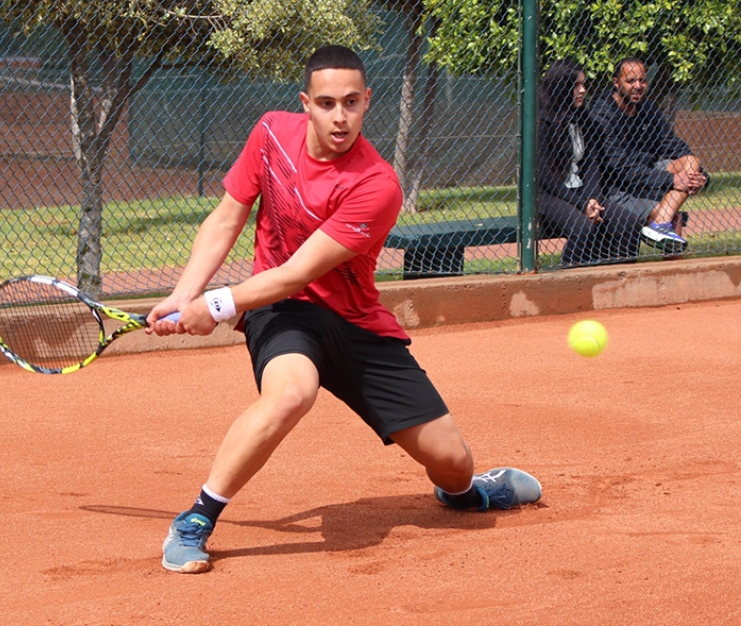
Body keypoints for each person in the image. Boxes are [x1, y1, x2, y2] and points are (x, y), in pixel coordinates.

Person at [144, 45, 542, 574]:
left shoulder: (376, 185)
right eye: (327, 103)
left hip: (355, 323)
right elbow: (227, 218)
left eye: (351, 102)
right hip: (281, 312)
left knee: (452, 461)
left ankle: (468, 494)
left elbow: (302, 269)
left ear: (367, 101)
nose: (339, 116)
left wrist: (214, 304)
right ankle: (195, 519)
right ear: (305, 102)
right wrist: (183, 292)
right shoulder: (269, 135)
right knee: (290, 396)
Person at [588, 57, 709, 256]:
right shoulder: (602, 113)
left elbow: (673, 145)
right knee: (675, 218)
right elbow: (619, 169)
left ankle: (660, 222)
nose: (638, 86)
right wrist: (672, 180)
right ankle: (664, 228)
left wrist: (700, 177)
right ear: (616, 83)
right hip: (615, 187)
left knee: (691, 162)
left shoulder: (648, 110)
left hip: (647, 176)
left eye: (642, 80)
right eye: (630, 81)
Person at [536, 59, 643, 265]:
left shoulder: (583, 118)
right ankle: (569, 283)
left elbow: (592, 165)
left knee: (628, 223)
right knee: (584, 228)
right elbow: (545, 177)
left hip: (583, 193)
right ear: (561, 87)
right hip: (550, 196)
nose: (582, 90)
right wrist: (581, 204)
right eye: (576, 85)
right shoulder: (542, 121)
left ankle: (616, 280)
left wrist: (592, 199)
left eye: (584, 84)